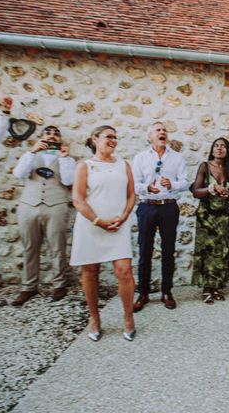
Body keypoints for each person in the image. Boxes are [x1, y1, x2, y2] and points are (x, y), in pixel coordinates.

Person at [70, 125, 136, 341]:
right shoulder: (85, 166)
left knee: (124, 271)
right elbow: (78, 199)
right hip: (91, 225)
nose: (113, 140)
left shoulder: (123, 165)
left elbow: (131, 195)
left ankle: (128, 318)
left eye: (116, 137)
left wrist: (125, 215)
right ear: (95, 139)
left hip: (118, 225)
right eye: (109, 136)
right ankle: (95, 318)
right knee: (90, 271)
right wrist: (97, 220)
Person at [11, 125, 76, 306]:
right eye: (48, 133)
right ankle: (28, 287)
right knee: (29, 247)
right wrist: (32, 152)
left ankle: (59, 284)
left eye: (56, 134)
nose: (52, 136)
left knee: (57, 246)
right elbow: (19, 174)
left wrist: (64, 158)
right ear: (41, 137)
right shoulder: (30, 155)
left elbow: (69, 181)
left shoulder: (68, 159)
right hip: (29, 205)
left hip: (55, 204)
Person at [132, 121, 188, 312]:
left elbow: (185, 182)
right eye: (158, 130)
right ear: (150, 136)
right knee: (145, 251)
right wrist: (147, 187)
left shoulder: (177, 158)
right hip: (147, 207)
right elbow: (134, 184)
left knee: (168, 251)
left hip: (168, 207)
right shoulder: (140, 158)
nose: (162, 132)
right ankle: (143, 293)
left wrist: (172, 184)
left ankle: (167, 292)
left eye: (165, 130)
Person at [191, 137, 229, 304]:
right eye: (216, 146)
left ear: (227, 151)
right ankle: (206, 288)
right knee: (206, 251)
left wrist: (228, 194)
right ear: (212, 149)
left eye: (223, 146)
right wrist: (211, 188)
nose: (219, 149)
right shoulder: (205, 166)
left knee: (220, 251)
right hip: (206, 215)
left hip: (222, 217)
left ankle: (216, 286)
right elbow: (196, 191)